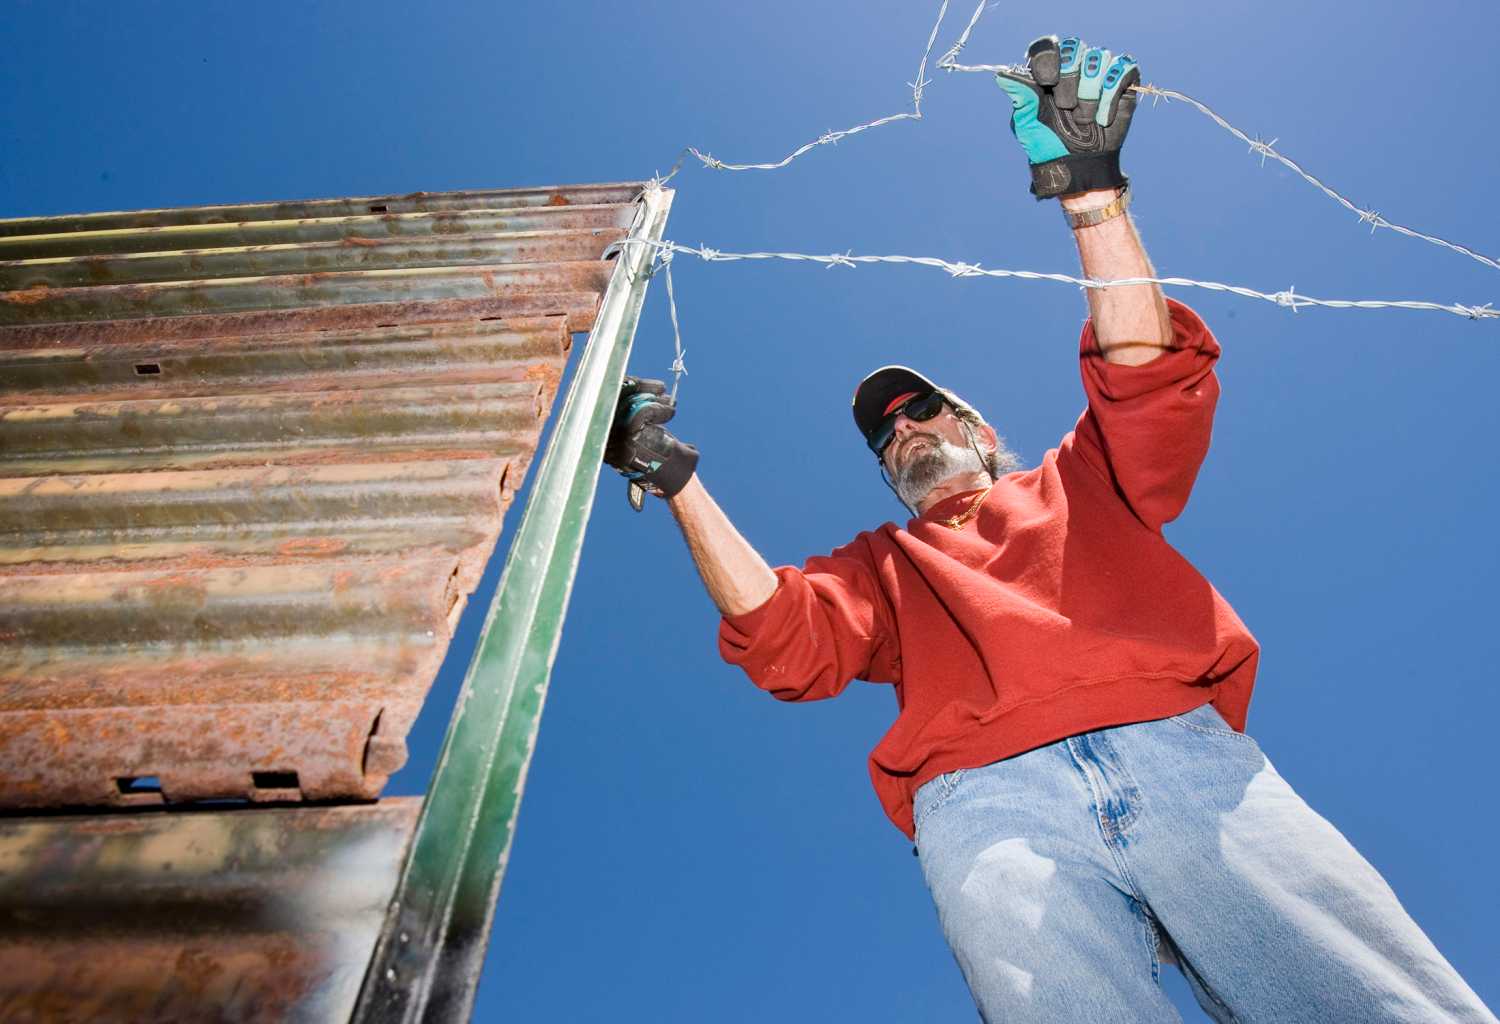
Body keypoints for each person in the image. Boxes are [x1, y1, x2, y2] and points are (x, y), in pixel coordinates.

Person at [602, 34, 1498, 1024]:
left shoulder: (1079, 480)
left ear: (983, 433)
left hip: (1181, 760)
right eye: (886, 435)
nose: (904, 431)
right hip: (986, 811)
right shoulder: (885, 566)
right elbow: (783, 637)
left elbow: (1148, 381)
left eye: (924, 410)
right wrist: (670, 475)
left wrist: (1090, 192)